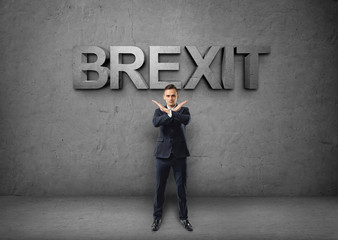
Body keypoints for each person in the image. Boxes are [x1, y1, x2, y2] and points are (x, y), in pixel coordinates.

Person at [150, 84, 193, 232]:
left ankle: (184, 218)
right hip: (162, 155)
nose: (170, 98)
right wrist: (168, 114)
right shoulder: (158, 111)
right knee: (159, 188)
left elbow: (185, 120)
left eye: (173, 95)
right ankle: (157, 218)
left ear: (177, 96)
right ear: (164, 97)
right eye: (168, 95)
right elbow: (156, 123)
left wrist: (172, 112)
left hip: (180, 155)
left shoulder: (184, 110)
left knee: (181, 188)